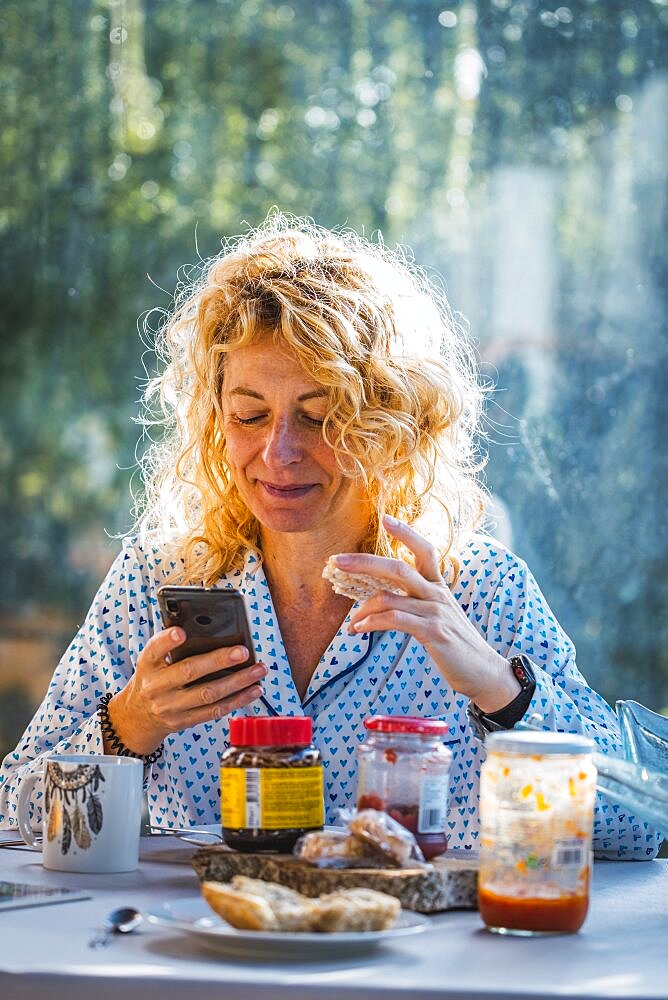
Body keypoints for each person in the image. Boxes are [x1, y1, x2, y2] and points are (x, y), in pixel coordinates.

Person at [0, 215, 660, 858]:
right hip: (213, 951)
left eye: (320, 418)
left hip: (416, 961)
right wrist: (130, 726)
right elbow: (17, 811)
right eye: (249, 415)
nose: (278, 452)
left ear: (389, 423)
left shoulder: (482, 591)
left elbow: (637, 826)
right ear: (214, 422)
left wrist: (497, 687)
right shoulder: (160, 579)